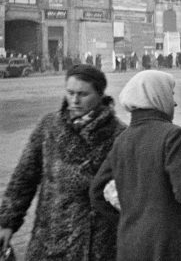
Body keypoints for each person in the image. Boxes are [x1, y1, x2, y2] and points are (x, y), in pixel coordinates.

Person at [90, 70, 181, 261]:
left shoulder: (122, 140)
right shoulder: (172, 135)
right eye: (171, 94)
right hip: (171, 248)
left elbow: (97, 193)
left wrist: (130, 220)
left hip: (131, 247)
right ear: (157, 96)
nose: (175, 102)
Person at [0, 64, 126, 260]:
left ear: (100, 95)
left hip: (98, 243)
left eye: (83, 94)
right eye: (70, 92)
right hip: (50, 237)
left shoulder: (119, 135)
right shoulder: (49, 127)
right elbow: (24, 177)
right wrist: (7, 222)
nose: (74, 100)